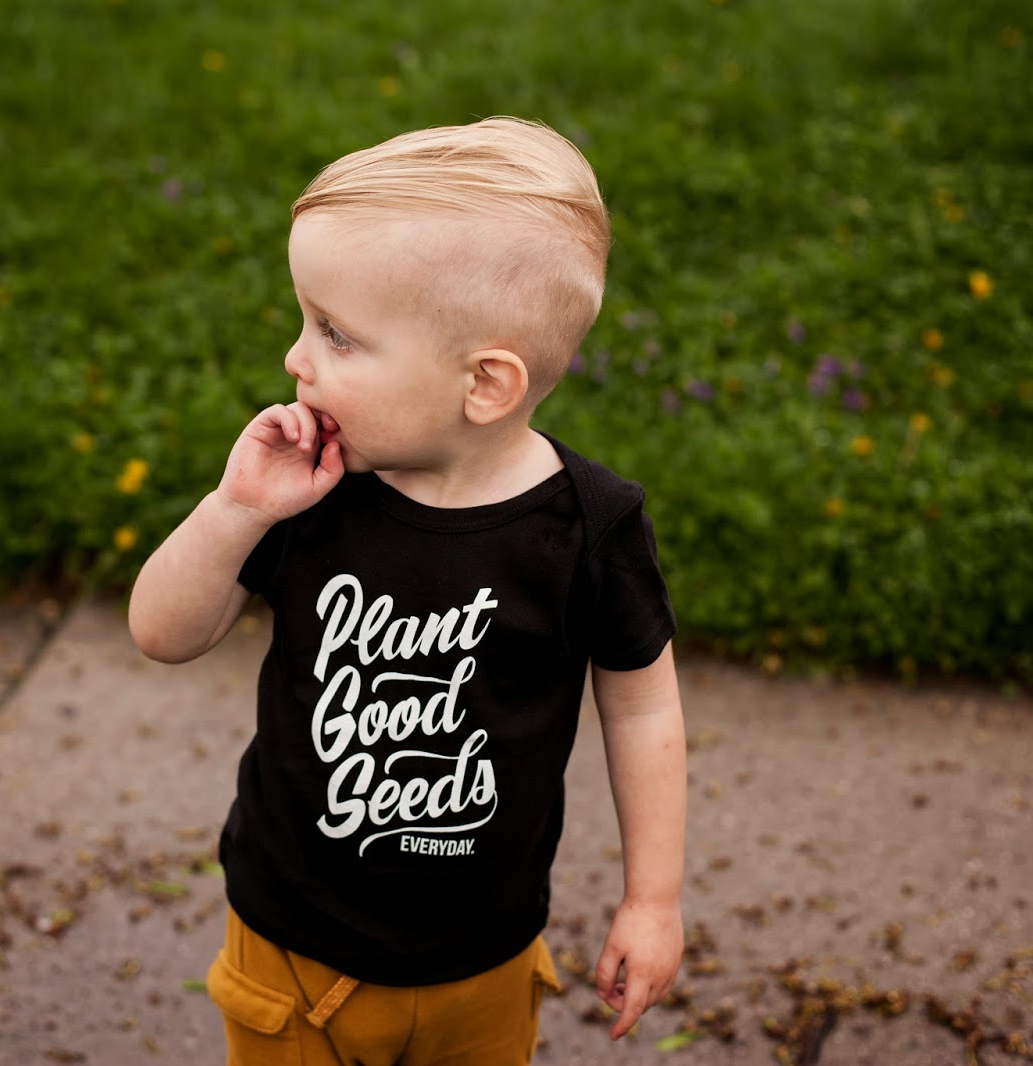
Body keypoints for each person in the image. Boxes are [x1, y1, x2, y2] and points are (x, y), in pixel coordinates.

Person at [128, 116, 686, 1065]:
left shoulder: (588, 529)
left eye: (338, 335)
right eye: (308, 321)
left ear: (485, 384)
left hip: (481, 961)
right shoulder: (312, 487)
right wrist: (234, 511)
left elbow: (641, 709)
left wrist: (652, 900)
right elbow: (163, 633)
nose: (298, 360)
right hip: (289, 948)